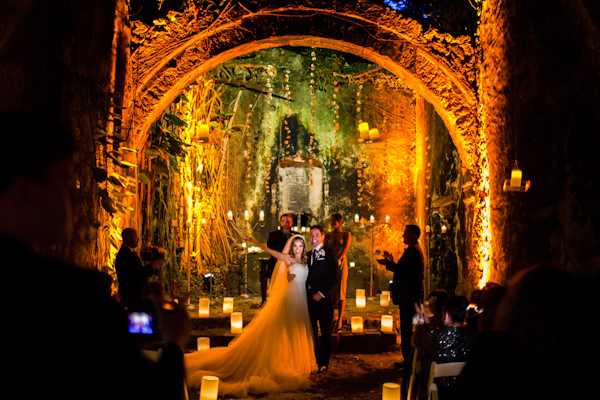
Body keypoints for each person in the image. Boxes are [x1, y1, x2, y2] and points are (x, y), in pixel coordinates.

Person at [0, 111, 190, 400]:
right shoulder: (70, 295)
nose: (76, 196)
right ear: (26, 193)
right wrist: (173, 342)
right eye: (64, 180)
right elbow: (145, 388)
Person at [185, 234, 317, 396]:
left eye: (300, 246)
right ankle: (285, 362)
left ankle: (297, 362)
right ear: (291, 247)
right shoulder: (287, 258)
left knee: (297, 329)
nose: (297, 249)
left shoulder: (306, 260)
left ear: (304, 248)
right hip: (290, 297)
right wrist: (255, 242)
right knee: (285, 330)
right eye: (295, 246)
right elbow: (272, 252)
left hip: (301, 299)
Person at [458, 266, 596, 400]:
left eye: (509, 296)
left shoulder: (499, 362)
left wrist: (488, 340)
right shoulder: (581, 370)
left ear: (518, 313)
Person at [377, 224, 425, 371]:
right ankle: (407, 360)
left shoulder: (413, 251)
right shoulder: (413, 250)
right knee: (406, 328)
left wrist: (389, 263)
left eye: (405, 234)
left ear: (412, 234)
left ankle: (409, 362)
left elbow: (404, 271)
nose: (402, 236)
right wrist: (391, 261)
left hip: (409, 296)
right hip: (410, 295)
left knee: (407, 329)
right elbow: (404, 268)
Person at [412, 295, 476, 400]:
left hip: (439, 389)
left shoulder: (436, 336)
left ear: (446, 314)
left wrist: (420, 324)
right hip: (464, 389)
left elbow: (415, 343)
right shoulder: (472, 336)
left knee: (419, 375)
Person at [306, 225, 339, 371]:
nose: (313, 238)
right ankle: (314, 358)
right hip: (309, 299)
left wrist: (322, 293)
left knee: (325, 331)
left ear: (323, 237)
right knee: (311, 330)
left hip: (324, 299)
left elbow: (334, 277)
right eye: (311, 235)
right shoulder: (306, 255)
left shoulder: (330, 253)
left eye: (316, 235)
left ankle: (324, 361)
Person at [115, 228, 161, 309]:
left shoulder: (129, 252)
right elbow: (136, 274)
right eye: (135, 237)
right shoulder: (125, 255)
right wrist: (151, 266)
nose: (138, 239)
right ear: (128, 238)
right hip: (131, 296)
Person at [324, 213, 352, 332]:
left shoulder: (346, 234)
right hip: (330, 263)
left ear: (340, 221)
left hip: (341, 262)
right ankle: (330, 319)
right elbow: (325, 249)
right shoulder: (328, 235)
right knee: (330, 292)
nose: (333, 222)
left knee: (341, 290)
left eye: (335, 220)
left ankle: (339, 320)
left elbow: (345, 248)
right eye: (331, 221)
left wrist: (339, 260)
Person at [261, 214, 296, 304]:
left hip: (292, 266)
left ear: (291, 223)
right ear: (280, 223)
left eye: (288, 221)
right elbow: (271, 249)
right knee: (277, 293)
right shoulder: (273, 235)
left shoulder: (297, 235)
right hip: (276, 265)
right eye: (283, 221)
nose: (286, 224)